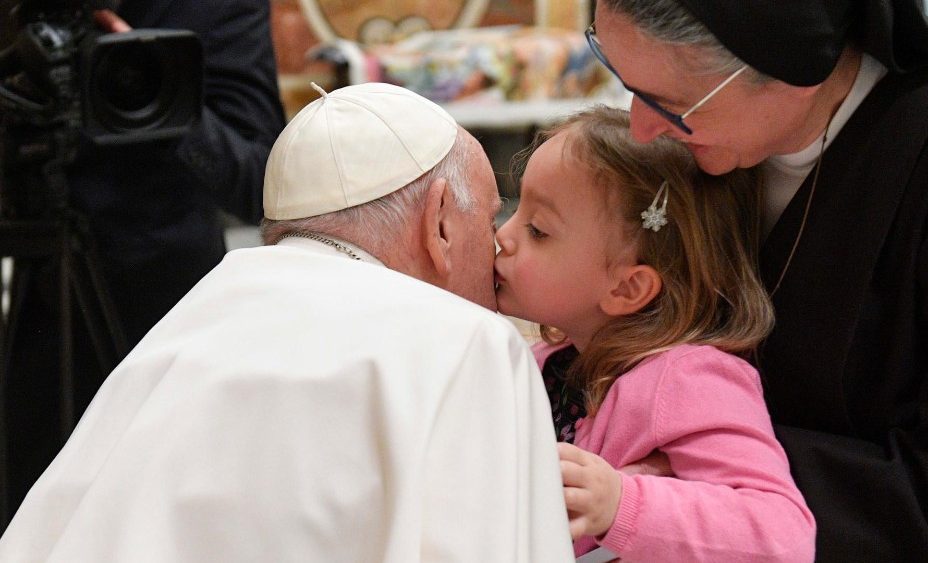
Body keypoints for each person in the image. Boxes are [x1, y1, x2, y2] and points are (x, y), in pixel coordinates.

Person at [0, 82, 574, 562]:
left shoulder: (191, 317)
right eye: (491, 216)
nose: (499, 244)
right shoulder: (469, 343)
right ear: (441, 224)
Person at [588, 0, 928, 560]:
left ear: (796, 70)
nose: (641, 129)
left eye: (673, 105)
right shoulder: (691, 151)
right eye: (623, 82)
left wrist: (702, 476)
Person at [2, 0, 286, 521]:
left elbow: (261, 183)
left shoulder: (213, 7)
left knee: (168, 524)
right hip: (40, 306)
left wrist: (154, 89)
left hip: (166, 313)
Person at [494, 106, 816, 562]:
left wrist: (622, 505)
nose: (504, 236)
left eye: (538, 230)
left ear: (628, 287)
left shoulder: (690, 378)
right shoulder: (553, 359)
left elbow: (782, 535)